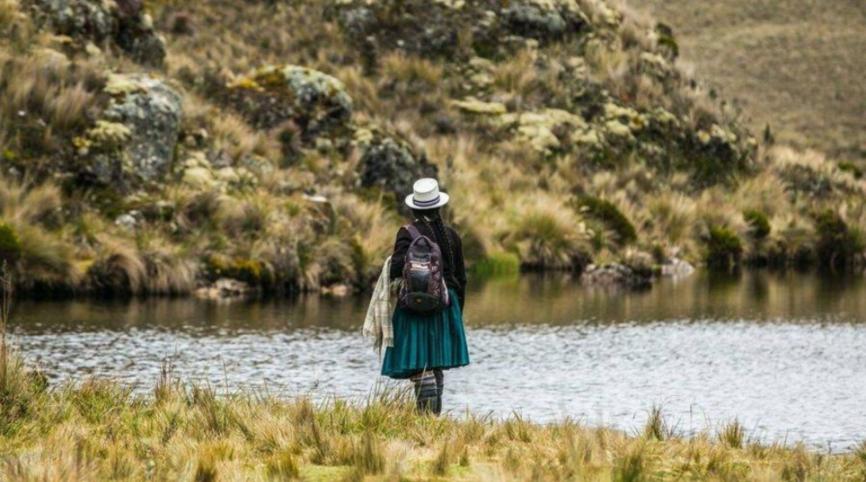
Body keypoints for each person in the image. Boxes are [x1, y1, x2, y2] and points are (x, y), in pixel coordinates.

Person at [380, 178, 470, 415]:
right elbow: (461, 279)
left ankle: (425, 421)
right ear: (438, 206)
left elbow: (395, 269)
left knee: (421, 366)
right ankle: (433, 421)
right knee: (435, 365)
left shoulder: (407, 233)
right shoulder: (451, 236)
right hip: (446, 303)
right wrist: (456, 312)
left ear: (414, 208)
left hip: (415, 305)